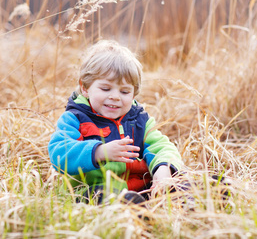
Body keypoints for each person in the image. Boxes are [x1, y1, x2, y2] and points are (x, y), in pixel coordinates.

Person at [48, 40, 183, 203]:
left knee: (189, 185)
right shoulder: (75, 118)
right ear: (85, 88)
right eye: (105, 89)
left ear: (134, 94)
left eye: (125, 91)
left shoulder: (139, 120)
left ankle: (209, 195)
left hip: (143, 188)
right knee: (114, 198)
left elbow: (162, 146)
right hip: (93, 190)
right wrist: (100, 152)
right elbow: (59, 153)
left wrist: (163, 170)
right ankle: (135, 211)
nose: (115, 96)